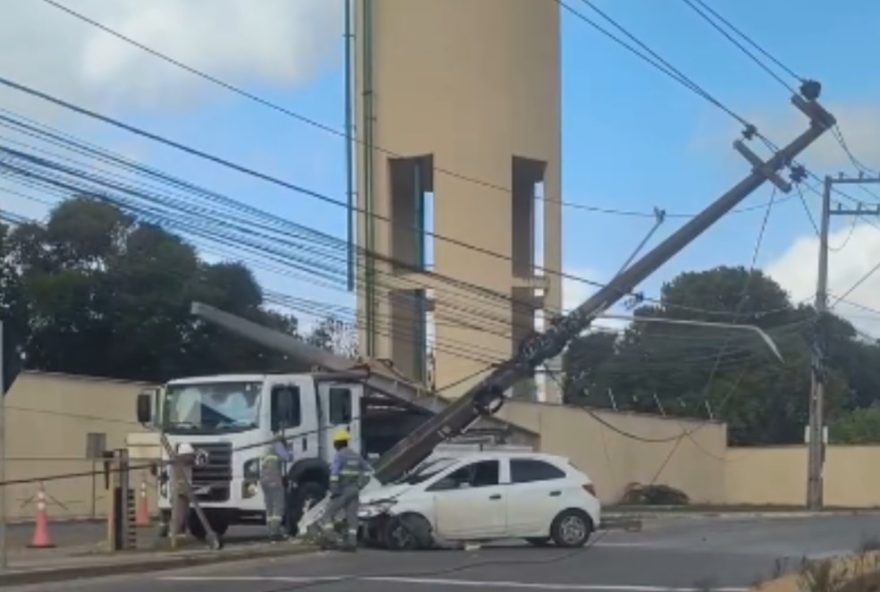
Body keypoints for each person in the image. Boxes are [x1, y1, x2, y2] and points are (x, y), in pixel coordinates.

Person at [319, 428, 371, 551]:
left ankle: (331, 539)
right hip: (354, 490)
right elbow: (369, 471)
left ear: (337, 443)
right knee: (352, 517)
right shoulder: (356, 455)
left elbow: (334, 474)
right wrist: (360, 485)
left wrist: (334, 490)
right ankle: (352, 543)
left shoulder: (339, 456)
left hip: (342, 491)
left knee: (327, 515)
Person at [260, 435, 293, 541]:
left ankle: (270, 532)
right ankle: (275, 532)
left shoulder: (267, 449)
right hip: (274, 479)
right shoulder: (278, 445)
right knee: (278, 506)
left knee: (269, 507)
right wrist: (289, 449)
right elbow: (288, 458)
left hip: (264, 480)